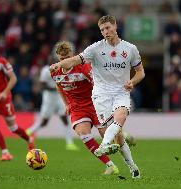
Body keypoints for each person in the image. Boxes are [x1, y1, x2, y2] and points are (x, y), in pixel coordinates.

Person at [50, 15, 145, 178]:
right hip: (101, 96)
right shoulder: (94, 49)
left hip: (121, 92)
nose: (106, 32)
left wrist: (133, 81)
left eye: (108, 28)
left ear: (115, 26)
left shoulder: (130, 49)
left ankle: (105, 145)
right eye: (102, 30)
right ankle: (132, 165)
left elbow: (140, 72)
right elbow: (74, 61)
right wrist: (59, 64)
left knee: (119, 119)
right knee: (117, 135)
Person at [50, 41, 119, 175]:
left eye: (67, 58)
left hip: (95, 104)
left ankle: (123, 137)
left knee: (108, 137)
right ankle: (110, 165)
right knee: (83, 133)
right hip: (77, 107)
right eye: (62, 59)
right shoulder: (55, 72)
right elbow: (59, 87)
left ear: (72, 55)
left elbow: (98, 84)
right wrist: (67, 104)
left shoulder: (83, 67)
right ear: (58, 58)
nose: (65, 61)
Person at [26, 58, 78, 151]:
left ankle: (69, 143)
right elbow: (42, 85)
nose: (54, 64)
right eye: (52, 63)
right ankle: (30, 131)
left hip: (59, 97)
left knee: (64, 118)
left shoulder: (61, 69)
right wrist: (56, 88)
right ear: (49, 63)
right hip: (48, 98)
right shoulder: (46, 71)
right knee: (45, 121)